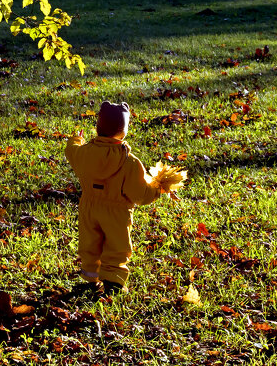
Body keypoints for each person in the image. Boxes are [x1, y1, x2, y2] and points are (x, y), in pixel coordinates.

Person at [65, 101, 186, 295]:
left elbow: (71, 152)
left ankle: (90, 277)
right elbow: (140, 194)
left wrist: (75, 140)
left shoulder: (85, 153)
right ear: (123, 132)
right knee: (117, 245)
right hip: (117, 212)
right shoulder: (129, 163)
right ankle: (112, 282)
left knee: (90, 242)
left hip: (89, 207)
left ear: (98, 128)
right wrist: (157, 189)